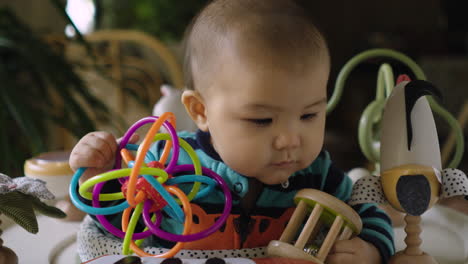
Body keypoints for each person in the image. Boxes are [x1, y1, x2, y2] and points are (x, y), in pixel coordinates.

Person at [70, 0, 394, 263]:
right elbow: (120, 226)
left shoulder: (318, 173)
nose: (291, 140)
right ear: (201, 111)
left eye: (309, 115)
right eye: (262, 121)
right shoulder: (165, 164)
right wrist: (95, 178)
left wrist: (371, 248)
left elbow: (366, 213)